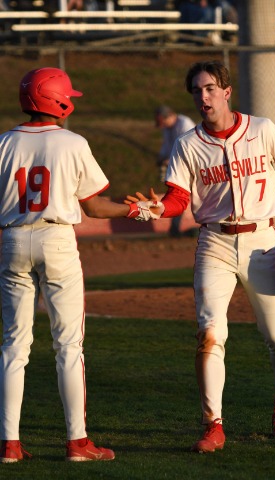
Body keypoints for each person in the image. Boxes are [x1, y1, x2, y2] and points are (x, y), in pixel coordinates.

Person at [132, 60, 275, 453]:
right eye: (196, 91)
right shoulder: (188, 144)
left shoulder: (261, 129)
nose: (202, 97)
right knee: (210, 335)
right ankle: (212, 425)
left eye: (208, 89)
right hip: (214, 244)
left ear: (226, 91)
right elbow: (178, 198)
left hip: (261, 241)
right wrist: (157, 209)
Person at [0, 67, 159, 463]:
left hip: (13, 239)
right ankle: (77, 442)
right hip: (56, 240)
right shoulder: (72, 142)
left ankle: (9, 445)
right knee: (68, 346)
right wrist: (136, 209)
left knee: (13, 346)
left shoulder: (3, 142)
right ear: (57, 101)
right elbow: (94, 207)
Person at [154, 105, 196, 237]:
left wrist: (170, 159)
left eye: (164, 122)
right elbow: (167, 145)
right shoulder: (168, 128)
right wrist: (162, 157)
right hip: (183, 166)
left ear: (170, 116)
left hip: (195, 164)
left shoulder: (184, 124)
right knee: (179, 193)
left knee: (190, 194)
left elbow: (188, 147)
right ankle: (175, 228)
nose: (163, 126)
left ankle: (177, 228)